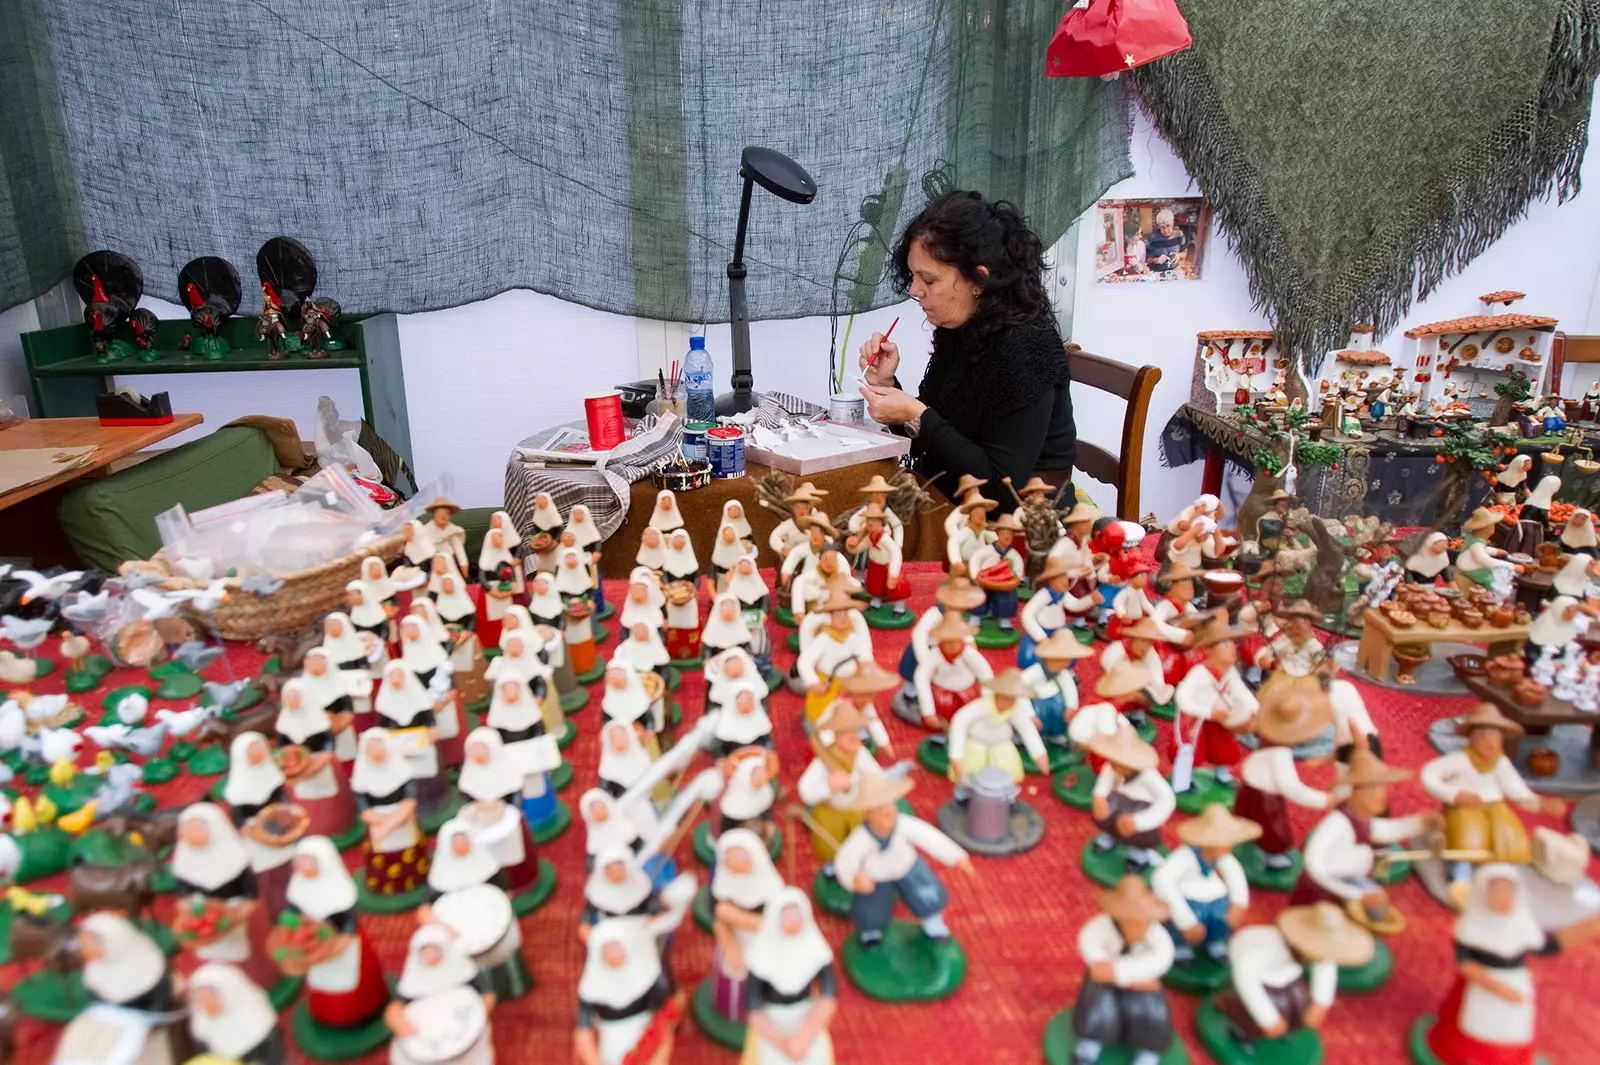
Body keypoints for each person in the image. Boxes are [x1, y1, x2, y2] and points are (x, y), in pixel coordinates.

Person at [856, 191, 1076, 507]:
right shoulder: (964, 328)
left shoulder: (1028, 347)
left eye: (928, 280)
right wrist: (888, 387)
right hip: (954, 498)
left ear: (978, 280)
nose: (914, 291)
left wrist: (916, 414)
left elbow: (1000, 488)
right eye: (913, 276)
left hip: (1018, 521)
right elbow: (930, 443)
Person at [1071, 877, 1176, 1065]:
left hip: (1139, 982)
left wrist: (1120, 973)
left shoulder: (1155, 934)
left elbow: (1162, 957)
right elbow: (1089, 944)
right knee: (1099, 1007)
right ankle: (1090, 1045)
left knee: (1150, 1011)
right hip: (1104, 981)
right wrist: (1104, 967)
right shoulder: (1101, 927)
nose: (1139, 927)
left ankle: (1148, 1052)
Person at [742, 888, 838, 1065]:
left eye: (797, 916)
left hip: (807, 1016)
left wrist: (804, 1037)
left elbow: (828, 996)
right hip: (771, 1022)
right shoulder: (759, 957)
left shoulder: (816, 949)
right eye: (787, 916)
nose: (793, 922)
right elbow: (754, 1010)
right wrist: (785, 1044)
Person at [1144, 208, 1186, 273]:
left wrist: (1178, 255)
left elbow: (1185, 253)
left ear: (1172, 222)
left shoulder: (1179, 235)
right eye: (1162, 227)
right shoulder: (1152, 238)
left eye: (1168, 226)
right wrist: (1156, 260)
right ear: (1158, 226)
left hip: (1174, 270)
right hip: (1157, 271)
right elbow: (1147, 259)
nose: (1165, 230)